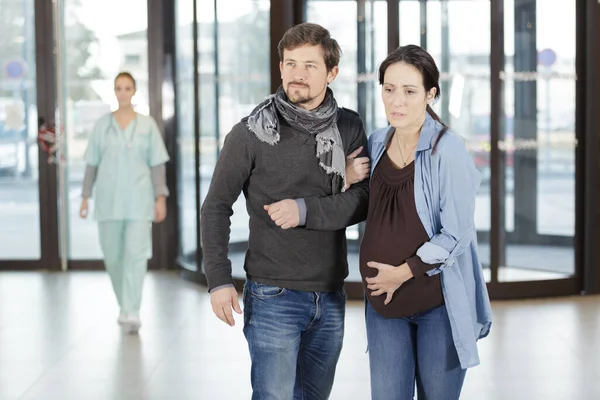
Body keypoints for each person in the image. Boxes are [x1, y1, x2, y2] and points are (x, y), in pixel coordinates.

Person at [200, 22, 369, 400]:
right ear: (280, 68)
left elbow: (363, 201)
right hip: (272, 293)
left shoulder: (348, 126)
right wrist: (219, 280)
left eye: (310, 65)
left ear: (332, 73)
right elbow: (215, 207)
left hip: (330, 292)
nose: (297, 74)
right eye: (290, 63)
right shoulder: (250, 133)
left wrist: (304, 209)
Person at [357, 45, 493, 399]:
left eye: (409, 91)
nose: (396, 101)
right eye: (389, 89)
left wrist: (401, 272)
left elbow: (456, 234)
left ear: (430, 94)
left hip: (437, 305)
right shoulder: (376, 142)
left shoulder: (447, 149)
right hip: (384, 305)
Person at [79, 72, 170, 334]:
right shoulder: (102, 126)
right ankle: (124, 305)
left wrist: (160, 198)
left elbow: (157, 165)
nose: (122, 93)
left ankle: (132, 309)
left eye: (127, 88)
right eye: (118, 88)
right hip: (108, 203)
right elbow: (91, 165)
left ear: (134, 91)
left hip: (139, 202)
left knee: (136, 255)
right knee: (113, 258)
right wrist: (85, 197)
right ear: (114, 92)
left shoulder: (147, 125)